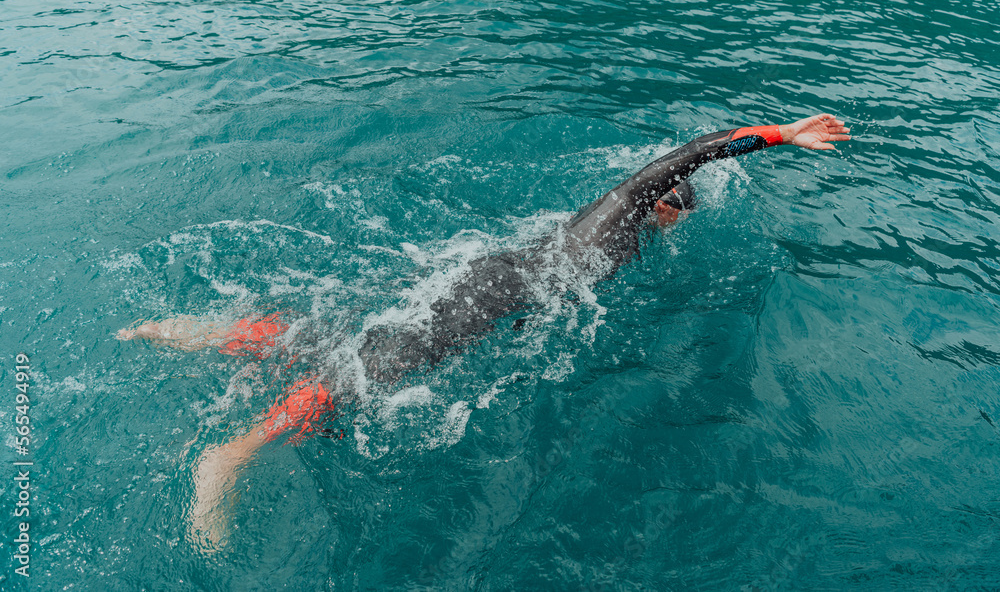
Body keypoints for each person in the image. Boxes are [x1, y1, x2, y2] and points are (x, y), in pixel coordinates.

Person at [117, 113, 850, 545]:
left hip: (496, 280)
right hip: (497, 289)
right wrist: (783, 133)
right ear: (661, 202)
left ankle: (201, 333)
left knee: (348, 333)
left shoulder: (632, 235)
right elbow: (690, 154)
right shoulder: (627, 205)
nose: (673, 213)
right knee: (371, 369)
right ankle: (234, 452)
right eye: (673, 205)